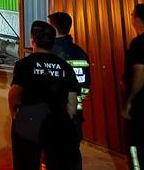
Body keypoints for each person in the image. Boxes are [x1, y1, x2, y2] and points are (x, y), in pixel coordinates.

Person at [9, 21, 80, 170]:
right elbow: (72, 103)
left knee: (26, 163)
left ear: (32, 40)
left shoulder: (24, 64)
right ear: (53, 42)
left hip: (29, 121)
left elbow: (14, 93)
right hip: (58, 122)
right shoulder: (65, 67)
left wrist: (14, 114)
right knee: (57, 163)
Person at [48, 12, 90, 170]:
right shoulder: (80, 52)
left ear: (53, 28)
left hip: (53, 115)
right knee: (73, 154)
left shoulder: (49, 53)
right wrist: (75, 107)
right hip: (75, 116)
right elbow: (85, 86)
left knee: (53, 157)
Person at [123, 3, 144, 170]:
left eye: (132, 15)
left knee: (137, 151)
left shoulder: (140, 43)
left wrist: (129, 102)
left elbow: (140, 73)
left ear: (138, 19)